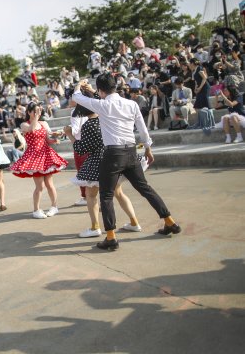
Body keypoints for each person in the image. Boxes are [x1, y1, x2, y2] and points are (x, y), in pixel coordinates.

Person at [72, 75, 181, 251]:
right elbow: (142, 128)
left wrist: (79, 85)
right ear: (115, 87)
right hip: (131, 151)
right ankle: (169, 221)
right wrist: (148, 147)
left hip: (113, 154)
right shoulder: (131, 104)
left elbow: (76, 97)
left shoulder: (103, 105)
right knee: (145, 189)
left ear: (101, 90)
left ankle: (111, 237)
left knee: (106, 196)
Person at [64, 91, 147, 238]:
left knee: (91, 194)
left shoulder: (89, 125)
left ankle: (95, 226)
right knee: (118, 192)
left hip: (98, 162)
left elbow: (81, 149)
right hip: (116, 158)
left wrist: (69, 134)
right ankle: (134, 222)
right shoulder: (107, 118)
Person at [10, 102, 68, 219]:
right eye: (35, 111)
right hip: (33, 156)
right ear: (29, 112)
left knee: (49, 184)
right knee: (40, 186)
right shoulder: (24, 125)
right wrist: (36, 118)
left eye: (39, 111)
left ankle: (54, 206)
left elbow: (48, 138)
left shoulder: (43, 123)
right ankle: (36, 210)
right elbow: (31, 129)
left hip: (45, 154)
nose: (38, 113)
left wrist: (55, 139)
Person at [67, 97, 88, 206]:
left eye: (70, 98)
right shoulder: (89, 108)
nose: (69, 100)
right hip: (92, 143)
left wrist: (66, 131)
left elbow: (75, 129)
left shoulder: (75, 112)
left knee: (81, 171)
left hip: (80, 145)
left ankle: (85, 196)